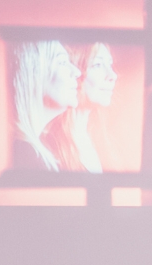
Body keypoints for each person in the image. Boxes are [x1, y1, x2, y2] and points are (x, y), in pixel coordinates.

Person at [8, 40, 78, 171]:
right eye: (62, 62)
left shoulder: (35, 149)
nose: (77, 71)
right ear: (33, 73)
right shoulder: (26, 157)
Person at [58, 43, 117, 172]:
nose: (113, 75)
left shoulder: (104, 137)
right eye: (97, 65)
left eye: (110, 64)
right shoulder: (52, 146)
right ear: (75, 72)